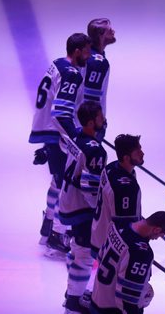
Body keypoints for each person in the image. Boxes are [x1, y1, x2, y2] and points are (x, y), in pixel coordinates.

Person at [47, 18, 116, 257]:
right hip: (82, 126)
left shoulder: (91, 59)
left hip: (78, 125)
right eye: (109, 30)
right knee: (73, 180)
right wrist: (93, 128)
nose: (113, 32)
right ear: (100, 36)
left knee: (62, 176)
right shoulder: (97, 61)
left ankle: (51, 226)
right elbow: (91, 97)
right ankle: (59, 230)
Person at [29, 33, 92, 246]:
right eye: (86, 50)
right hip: (58, 133)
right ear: (76, 51)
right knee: (66, 183)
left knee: (57, 180)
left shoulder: (57, 63)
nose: (89, 55)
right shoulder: (72, 74)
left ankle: (49, 224)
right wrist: (76, 137)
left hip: (48, 130)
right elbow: (62, 112)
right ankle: (56, 233)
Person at [57, 101, 107, 313]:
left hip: (68, 201)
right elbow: (91, 189)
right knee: (85, 254)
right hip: (82, 208)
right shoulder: (96, 151)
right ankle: (74, 302)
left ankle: (71, 293)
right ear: (90, 122)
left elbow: (62, 145)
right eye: (99, 116)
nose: (103, 119)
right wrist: (102, 212)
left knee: (77, 249)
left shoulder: (77, 136)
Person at [91, 211, 165, 313]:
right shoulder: (141, 253)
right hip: (110, 309)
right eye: (161, 235)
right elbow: (127, 297)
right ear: (157, 229)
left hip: (96, 299)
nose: (157, 238)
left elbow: (100, 257)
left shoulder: (118, 226)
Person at [90, 134, 144, 258]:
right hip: (110, 247)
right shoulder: (126, 188)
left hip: (98, 233)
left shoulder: (111, 168)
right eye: (137, 151)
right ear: (126, 157)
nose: (142, 153)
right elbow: (124, 227)